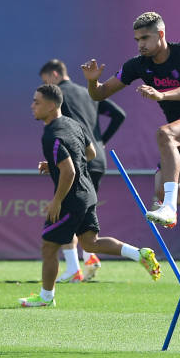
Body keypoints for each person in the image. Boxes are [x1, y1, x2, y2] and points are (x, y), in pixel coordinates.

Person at [81, 11, 180, 229]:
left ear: (160, 34)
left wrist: (162, 94)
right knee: (165, 191)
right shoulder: (137, 65)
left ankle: (168, 209)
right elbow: (99, 94)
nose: (140, 44)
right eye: (137, 40)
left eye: (145, 38)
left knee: (165, 133)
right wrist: (93, 83)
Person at [18, 84, 161, 307]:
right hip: (88, 193)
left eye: (37, 102)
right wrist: (55, 166)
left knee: (48, 246)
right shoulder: (74, 124)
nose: (32, 106)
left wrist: (56, 200)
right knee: (91, 243)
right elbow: (91, 153)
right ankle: (139, 254)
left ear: (52, 105)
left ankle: (46, 298)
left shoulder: (51, 135)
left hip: (71, 199)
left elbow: (69, 171)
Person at [39, 59, 126, 282]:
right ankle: (89, 256)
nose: (44, 87)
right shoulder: (89, 92)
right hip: (96, 157)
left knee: (66, 209)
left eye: (45, 81)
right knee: (81, 214)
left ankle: (74, 266)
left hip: (78, 159)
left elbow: (64, 131)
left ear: (55, 75)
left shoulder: (57, 96)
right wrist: (101, 141)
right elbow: (119, 115)